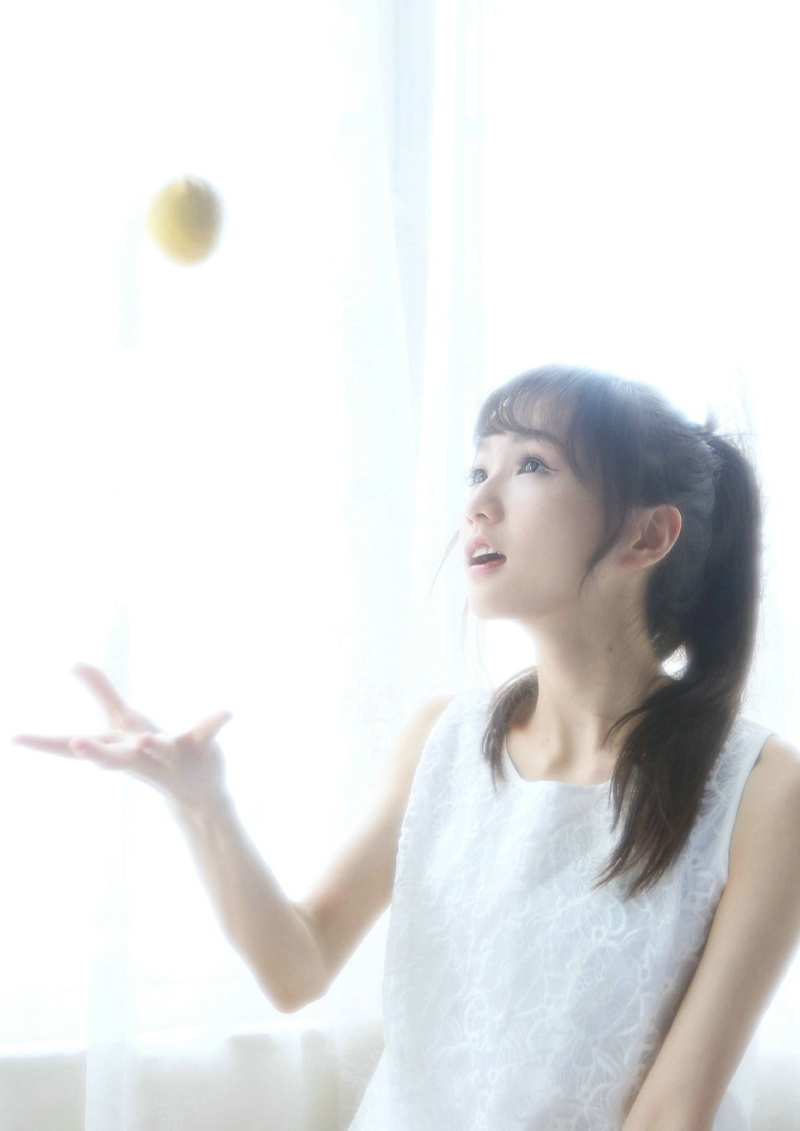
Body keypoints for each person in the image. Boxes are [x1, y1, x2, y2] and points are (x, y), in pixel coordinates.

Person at [13, 363, 800, 1131]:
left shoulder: (760, 789)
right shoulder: (444, 741)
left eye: (532, 464)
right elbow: (297, 965)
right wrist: (204, 805)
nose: (479, 503)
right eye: (477, 470)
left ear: (647, 534)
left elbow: (672, 1114)